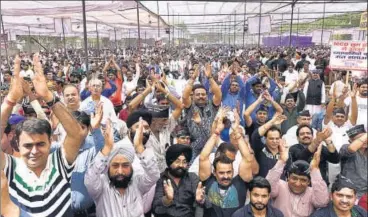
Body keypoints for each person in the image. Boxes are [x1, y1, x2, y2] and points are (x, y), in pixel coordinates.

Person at [1, 54, 84, 217]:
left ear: (50, 142)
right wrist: (10, 100)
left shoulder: (59, 162)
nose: (34, 151)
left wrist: (48, 96)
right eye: (28, 145)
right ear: (17, 143)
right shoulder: (9, 167)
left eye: (40, 144)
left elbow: (76, 134)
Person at [84, 118, 160, 217]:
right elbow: (90, 179)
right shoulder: (101, 186)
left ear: (131, 167)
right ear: (108, 167)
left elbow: (154, 174)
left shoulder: (137, 183)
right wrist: (106, 149)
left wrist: (139, 147)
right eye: (115, 166)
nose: (120, 171)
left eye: (125, 165)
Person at [199, 112, 255, 217]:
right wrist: (216, 132)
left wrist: (237, 133)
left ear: (233, 171)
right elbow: (203, 157)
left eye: (229, 172)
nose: (226, 176)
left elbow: (247, 158)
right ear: (214, 173)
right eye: (221, 173)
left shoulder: (241, 182)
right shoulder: (208, 180)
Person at [266, 142, 329, 217]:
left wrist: (314, 169)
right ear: (288, 177)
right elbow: (268, 188)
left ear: (309, 182)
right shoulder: (280, 186)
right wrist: (281, 161)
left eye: (303, 180)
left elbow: (322, 202)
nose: (297, 184)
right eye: (294, 178)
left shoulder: (312, 192)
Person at [152, 144, 205, 217]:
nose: (181, 165)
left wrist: (200, 201)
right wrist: (167, 200)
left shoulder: (192, 178)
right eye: (177, 161)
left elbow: (206, 203)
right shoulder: (161, 179)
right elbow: (156, 209)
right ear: (170, 162)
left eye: (184, 162)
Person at [182, 63, 222, 161]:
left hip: (211, 143)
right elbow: (184, 96)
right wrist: (193, 78)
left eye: (203, 94)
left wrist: (210, 77)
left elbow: (218, 94)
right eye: (198, 94)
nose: (201, 96)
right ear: (193, 96)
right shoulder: (190, 105)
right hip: (195, 145)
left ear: (207, 95)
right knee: (191, 170)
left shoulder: (211, 105)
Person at [340, 124, 367, 199]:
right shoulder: (345, 148)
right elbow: (352, 149)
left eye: (365, 138)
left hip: (365, 195)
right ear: (350, 141)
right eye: (360, 139)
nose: (364, 140)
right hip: (350, 194)